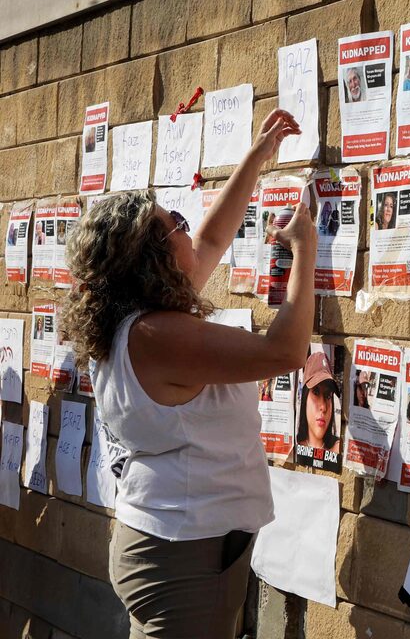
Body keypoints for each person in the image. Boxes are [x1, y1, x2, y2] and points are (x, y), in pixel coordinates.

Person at [62, 108, 310, 638]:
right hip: (183, 556)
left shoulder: (129, 320)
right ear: (152, 258)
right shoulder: (157, 337)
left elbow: (213, 240)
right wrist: (304, 251)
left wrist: (257, 157)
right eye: (174, 221)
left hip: (170, 543)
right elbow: (285, 351)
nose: (185, 226)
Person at [297, 351, 341, 454]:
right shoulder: (294, 446)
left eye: (328, 396)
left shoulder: (337, 448)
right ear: (305, 398)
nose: (323, 407)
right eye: (316, 392)